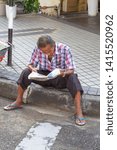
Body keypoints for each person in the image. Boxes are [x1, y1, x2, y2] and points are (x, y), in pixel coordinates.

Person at [4, 35, 86, 126]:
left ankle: (78, 112)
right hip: (44, 77)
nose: (47, 54)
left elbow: (71, 69)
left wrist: (61, 72)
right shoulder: (38, 49)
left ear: (53, 45)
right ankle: (18, 101)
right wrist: (32, 69)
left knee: (73, 77)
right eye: (44, 52)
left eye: (49, 51)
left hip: (59, 77)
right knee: (26, 72)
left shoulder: (65, 49)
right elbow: (30, 64)